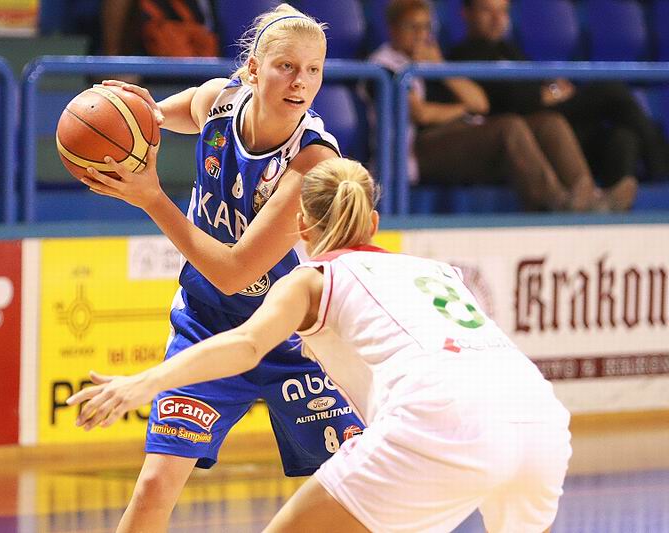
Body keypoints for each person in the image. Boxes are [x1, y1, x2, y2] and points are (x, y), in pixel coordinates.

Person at [68, 157, 573, 533]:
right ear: (373, 224)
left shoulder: (314, 278)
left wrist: (142, 384)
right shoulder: (438, 272)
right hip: (540, 417)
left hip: (437, 419)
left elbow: (244, 345)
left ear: (301, 228)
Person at [75, 4, 365, 531]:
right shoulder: (220, 101)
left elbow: (234, 272)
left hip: (296, 342)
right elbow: (171, 113)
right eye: (286, 67)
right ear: (252, 69)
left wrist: (152, 198)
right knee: (154, 484)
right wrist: (132, 114)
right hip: (207, 325)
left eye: (314, 69)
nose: (301, 82)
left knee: (358, 494)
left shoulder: (312, 163)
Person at [369, 0, 608, 212]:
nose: (421, 35)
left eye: (426, 27)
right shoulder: (383, 65)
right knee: (508, 127)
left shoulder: (430, 60)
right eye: (412, 27)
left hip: (456, 135)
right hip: (415, 150)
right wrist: (463, 109)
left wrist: (440, 67)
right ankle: (554, 203)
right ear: (393, 29)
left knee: (548, 122)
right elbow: (421, 114)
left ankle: (588, 197)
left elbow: (480, 103)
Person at [448, 0, 669, 211]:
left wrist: (549, 89)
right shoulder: (462, 55)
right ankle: (662, 169)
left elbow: (534, 84)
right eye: (487, 11)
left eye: (503, 11)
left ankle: (611, 212)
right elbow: (506, 101)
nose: (497, 19)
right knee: (610, 90)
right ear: (466, 14)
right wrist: (545, 93)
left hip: (553, 122)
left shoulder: (508, 48)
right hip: (530, 126)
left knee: (622, 137)